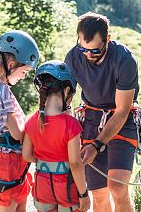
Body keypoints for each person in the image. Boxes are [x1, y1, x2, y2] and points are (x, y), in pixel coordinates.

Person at [65, 12, 139, 212]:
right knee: (98, 194)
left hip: (122, 119)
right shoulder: (73, 57)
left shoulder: (125, 60)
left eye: (95, 50)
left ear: (108, 39)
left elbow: (123, 110)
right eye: (83, 48)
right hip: (91, 119)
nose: (88, 55)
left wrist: (97, 145)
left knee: (117, 186)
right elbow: (65, 98)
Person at [22, 60, 91, 212]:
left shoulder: (32, 121)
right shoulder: (71, 125)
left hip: (42, 186)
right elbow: (75, 163)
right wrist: (84, 194)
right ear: (66, 90)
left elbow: (26, 155)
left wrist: (45, 163)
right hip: (66, 190)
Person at [0, 30, 39, 212]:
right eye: (24, 71)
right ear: (12, 64)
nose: (24, 76)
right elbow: (17, 133)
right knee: (10, 206)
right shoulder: (1, 90)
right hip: (9, 161)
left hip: (13, 159)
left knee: (19, 204)